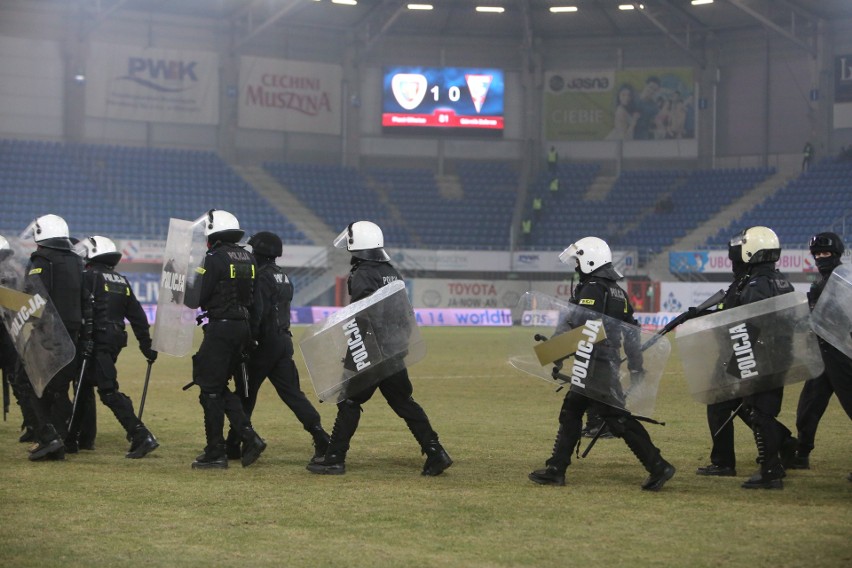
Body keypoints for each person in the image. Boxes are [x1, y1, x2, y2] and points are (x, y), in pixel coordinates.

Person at [528, 236, 675, 490]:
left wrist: (554, 350)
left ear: (589, 259)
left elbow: (586, 326)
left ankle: (658, 465)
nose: (575, 266)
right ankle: (556, 468)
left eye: (578, 260)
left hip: (595, 361)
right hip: (603, 359)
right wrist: (636, 365)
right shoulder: (617, 290)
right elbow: (631, 332)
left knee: (616, 417)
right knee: (572, 410)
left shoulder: (593, 287)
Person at [307, 221, 452, 476]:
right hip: (394, 349)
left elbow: (364, 316)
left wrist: (354, 354)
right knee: (403, 401)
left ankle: (334, 459)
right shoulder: (390, 270)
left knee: (350, 401)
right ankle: (435, 452)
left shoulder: (363, 272)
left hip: (372, 348)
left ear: (357, 243)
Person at [696, 226, 797, 489]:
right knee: (735, 403)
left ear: (751, 250)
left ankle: (767, 469)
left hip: (753, 356)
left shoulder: (755, 284)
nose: (735, 256)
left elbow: (750, 325)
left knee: (755, 409)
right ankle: (781, 446)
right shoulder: (780, 280)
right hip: (772, 356)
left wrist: (740, 361)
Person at [225, 231, 330, 462]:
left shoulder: (261, 277)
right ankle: (320, 436)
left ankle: (236, 443)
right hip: (284, 342)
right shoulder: (284, 276)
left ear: (260, 252)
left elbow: (258, 314)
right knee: (293, 395)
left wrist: (248, 341)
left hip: (265, 343)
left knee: (245, 394)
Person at [64, 236, 159, 458]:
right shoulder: (120, 280)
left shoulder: (87, 277)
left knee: (107, 391)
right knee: (83, 387)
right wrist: (147, 345)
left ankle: (141, 435)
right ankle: (72, 439)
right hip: (114, 342)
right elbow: (138, 316)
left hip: (93, 342)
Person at [186, 209, 266, 469]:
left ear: (213, 234)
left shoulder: (213, 258)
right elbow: (256, 303)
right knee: (218, 386)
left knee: (209, 390)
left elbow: (194, 298)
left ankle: (216, 452)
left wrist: (187, 281)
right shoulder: (249, 258)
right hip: (241, 328)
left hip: (220, 328)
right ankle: (248, 437)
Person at [19, 214, 86, 461]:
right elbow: (84, 298)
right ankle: (59, 438)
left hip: (47, 331)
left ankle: (48, 437)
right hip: (73, 333)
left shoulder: (41, 259)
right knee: (60, 388)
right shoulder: (77, 261)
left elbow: (33, 296)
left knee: (30, 383)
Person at [792, 232, 852, 470]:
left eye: (825, 253)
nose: (820, 257)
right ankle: (801, 453)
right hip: (822, 353)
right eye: (817, 254)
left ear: (836, 253)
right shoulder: (818, 284)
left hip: (841, 354)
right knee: (808, 408)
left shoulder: (845, 281)